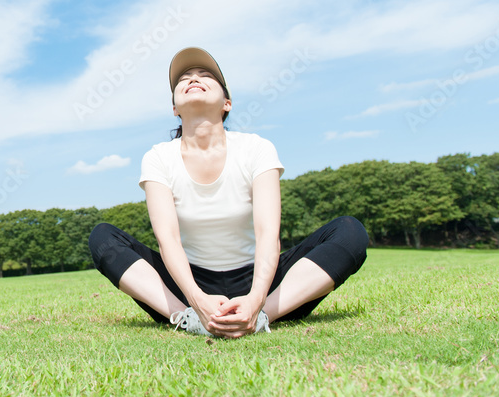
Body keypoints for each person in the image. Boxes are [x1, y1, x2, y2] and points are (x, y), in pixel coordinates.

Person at [88, 47, 368, 338]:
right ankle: (189, 319)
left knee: (350, 231)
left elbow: (267, 233)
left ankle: (260, 317)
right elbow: (167, 240)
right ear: (174, 108)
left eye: (205, 75)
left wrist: (257, 298)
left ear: (227, 103)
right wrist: (196, 300)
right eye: (184, 78)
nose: (193, 79)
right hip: (187, 284)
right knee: (103, 237)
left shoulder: (256, 148)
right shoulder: (158, 157)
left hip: (261, 278)